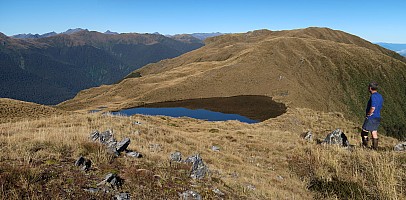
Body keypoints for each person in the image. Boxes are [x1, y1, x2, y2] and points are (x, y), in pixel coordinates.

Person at [361, 82, 383, 150]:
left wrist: (369, 113)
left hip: (371, 117)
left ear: (370, 88)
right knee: (374, 131)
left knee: (364, 131)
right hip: (378, 116)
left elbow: (373, 107)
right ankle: (375, 148)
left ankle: (365, 146)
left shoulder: (373, 96)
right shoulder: (380, 96)